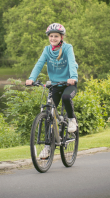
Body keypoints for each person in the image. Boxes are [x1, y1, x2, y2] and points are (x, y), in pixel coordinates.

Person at [26, 23, 78, 158]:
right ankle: (48, 147)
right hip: (55, 85)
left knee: (66, 98)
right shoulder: (47, 50)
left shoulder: (67, 48)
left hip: (68, 84)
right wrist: (31, 78)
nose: (53, 38)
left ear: (61, 37)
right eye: (51, 36)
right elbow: (39, 64)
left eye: (56, 36)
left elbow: (72, 63)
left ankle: (72, 120)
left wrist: (73, 77)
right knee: (48, 114)